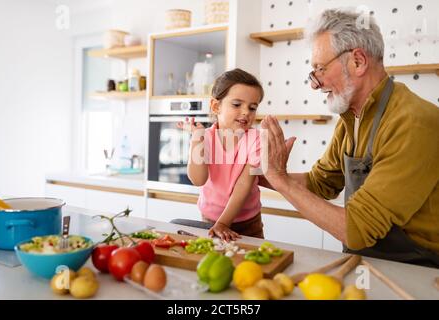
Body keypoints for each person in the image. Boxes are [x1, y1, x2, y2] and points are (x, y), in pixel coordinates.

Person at [260, 9, 439, 267]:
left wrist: (281, 181)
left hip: (416, 271)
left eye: (320, 69)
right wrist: (261, 175)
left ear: (357, 61)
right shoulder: (351, 118)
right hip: (367, 262)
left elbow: (358, 228)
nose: (314, 84)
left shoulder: (412, 121)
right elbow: (321, 182)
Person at [177, 68, 264, 241]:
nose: (246, 112)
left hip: (249, 223)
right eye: (237, 104)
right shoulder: (204, 137)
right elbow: (198, 179)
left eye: (252, 107)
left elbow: (243, 186)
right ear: (216, 106)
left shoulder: (258, 139)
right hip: (210, 220)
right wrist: (197, 138)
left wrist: (224, 223)